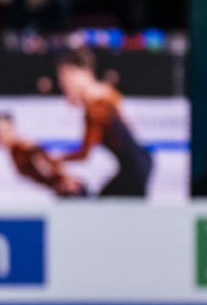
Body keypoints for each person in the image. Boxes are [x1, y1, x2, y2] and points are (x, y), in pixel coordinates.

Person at [55, 49, 151, 196]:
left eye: (66, 79)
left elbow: (84, 152)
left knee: (104, 207)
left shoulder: (96, 103)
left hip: (135, 166)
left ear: (81, 72)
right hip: (137, 163)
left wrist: (59, 159)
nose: (64, 86)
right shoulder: (102, 95)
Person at [0, 113, 85, 197]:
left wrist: (64, 180)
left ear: (11, 128)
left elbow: (48, 164)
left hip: (71, 193)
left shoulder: (24, 147)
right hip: (63, 191)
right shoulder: (15, 150)